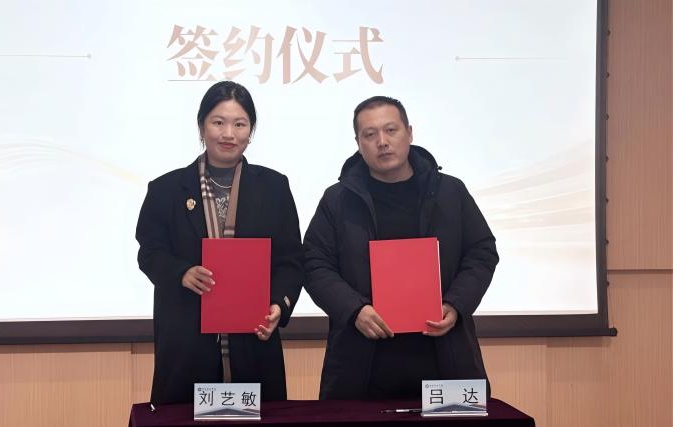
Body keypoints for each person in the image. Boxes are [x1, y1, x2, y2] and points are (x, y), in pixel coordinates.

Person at [303, 96, 498, 400]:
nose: (382, 142)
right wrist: (354, 310)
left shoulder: (449, 191)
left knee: (459, 422)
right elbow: (314, 263)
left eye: (391, 130)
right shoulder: (338, 200)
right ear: (358, 143)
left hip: (445, 356)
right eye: (370, 134)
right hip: (361, 364)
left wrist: (455, 304)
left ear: (409, 133)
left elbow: (481, 252)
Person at [136, 81, 304, 405]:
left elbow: (291, 260)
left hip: (254, 339)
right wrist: (181, 272)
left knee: (258, 417)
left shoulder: (274, 187)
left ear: (251, 130)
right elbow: (150, 252)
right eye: (218, 122)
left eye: (240, 124)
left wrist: (278, 305)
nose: (229, 134)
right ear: (202, 126)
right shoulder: (166, 189)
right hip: (187, 341)